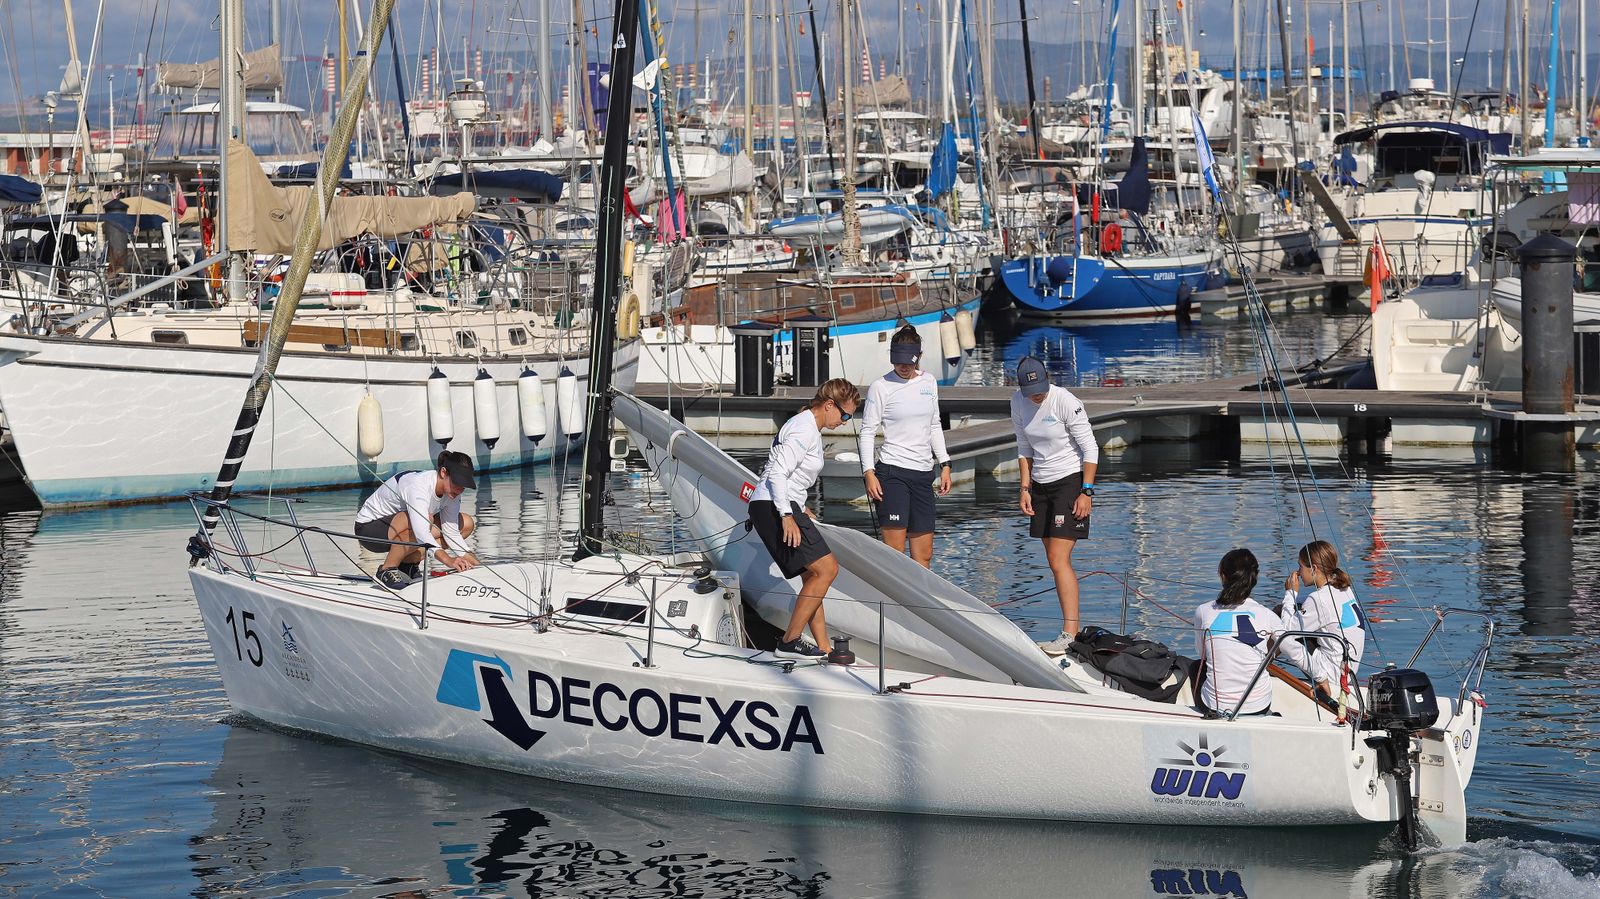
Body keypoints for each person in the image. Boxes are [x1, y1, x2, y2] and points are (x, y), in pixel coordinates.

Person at [747, 378, 861, 660]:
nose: (845, 422)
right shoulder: (803, 428)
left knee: (815, 574)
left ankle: (823, 648)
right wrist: (787, 514)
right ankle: (789, 642)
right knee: (827, 569)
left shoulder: (805, 425)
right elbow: (777, 473)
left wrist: (799, 506)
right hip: (773, 505)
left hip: (778, 503)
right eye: (845, 415)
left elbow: (787, 474)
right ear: (829, 405)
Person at [1011, 356, 1099, 654]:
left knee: (1060, 559)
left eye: (1041, 387)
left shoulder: (1065, 400)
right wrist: (1025, 488)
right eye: (1031, 389)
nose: (1037, 394)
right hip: (1040, 484)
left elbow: (1090, 448)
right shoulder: (1018, 402)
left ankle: (1070, 633)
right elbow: (1024, 447)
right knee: (1051, 559)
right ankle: (1067, 629)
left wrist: (1086, 492)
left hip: (1070, 481)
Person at [858, 325, 952, 568]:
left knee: (924, 555)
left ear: (918, 357)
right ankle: (893, 606)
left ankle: (919, 605)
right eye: (899, 362)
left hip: (923, 474)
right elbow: (867, 431)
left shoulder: (929, 381)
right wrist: (868, 473)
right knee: (896, 554)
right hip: (892, 474)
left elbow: (934, 424)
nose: (904, 367)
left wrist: (945, 464)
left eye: (909, 362)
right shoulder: (881, 387)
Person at [355, 450, 480, 589]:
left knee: (466, 523)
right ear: (443, 473)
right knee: (426, 519)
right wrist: (449, 561)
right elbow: (421, 532)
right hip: (369, 529)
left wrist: (477, 565)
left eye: (464, 486)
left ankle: (407, 565)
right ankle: (386, 569)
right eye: (457, 483)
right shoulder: (418, 485)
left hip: (400, 528)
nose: (460, 489)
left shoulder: (453, 493)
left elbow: (451, 532)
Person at [1194, 548, 1283, 716]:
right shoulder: (1268, 615)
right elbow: (1292, 647)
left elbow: (1202, 654)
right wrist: (1321, 678)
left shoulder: (1203, 611)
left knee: (1194, 667)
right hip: (1258, 705)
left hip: (1215, 706)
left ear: (1223, 576)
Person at [1278, 540, 1367, 701]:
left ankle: (1257, 668)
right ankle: (1261, 665)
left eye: (1300, 567)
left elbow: (1285, 632)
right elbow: (1315, 607)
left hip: (1331, 674)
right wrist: (1292, 602)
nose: (1298, 572)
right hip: (1347, 670)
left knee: (1279, 625)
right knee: (1286, 610)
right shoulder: (1343, 588)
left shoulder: (1318, 599)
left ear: (1313, 569)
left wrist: (1290, 594)